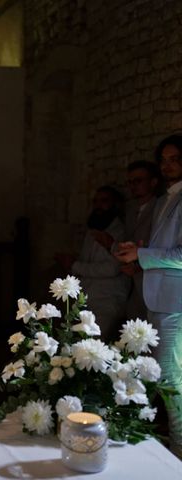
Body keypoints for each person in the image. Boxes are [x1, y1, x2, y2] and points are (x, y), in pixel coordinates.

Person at [116, 134, 182, 458]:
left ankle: (179, 454)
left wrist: (142, 255)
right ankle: (153, 448)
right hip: (156, 298)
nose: (168, 165)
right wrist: (138, 255)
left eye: (175, 159)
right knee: (153, 377)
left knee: (172, 382)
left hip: (175, 303)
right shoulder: (165, 199)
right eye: (164, 159)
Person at [55, 186, 130, 340]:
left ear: (115, 205)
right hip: (86, 299)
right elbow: (87, 261)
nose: (98, 205)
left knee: (93, 351)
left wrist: (75, 265)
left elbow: (112, 268)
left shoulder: (121, 232)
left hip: (107, 301)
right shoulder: (93, 230)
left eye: (104, 201)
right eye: (95, 201)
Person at [121, 160, 160, 320]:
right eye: (130, 182)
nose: (133, 186)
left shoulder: (160, 207)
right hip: (133, 283)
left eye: (138, 181)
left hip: (154, 282)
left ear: (153, 182)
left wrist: (139, 265)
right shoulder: (130, 209)